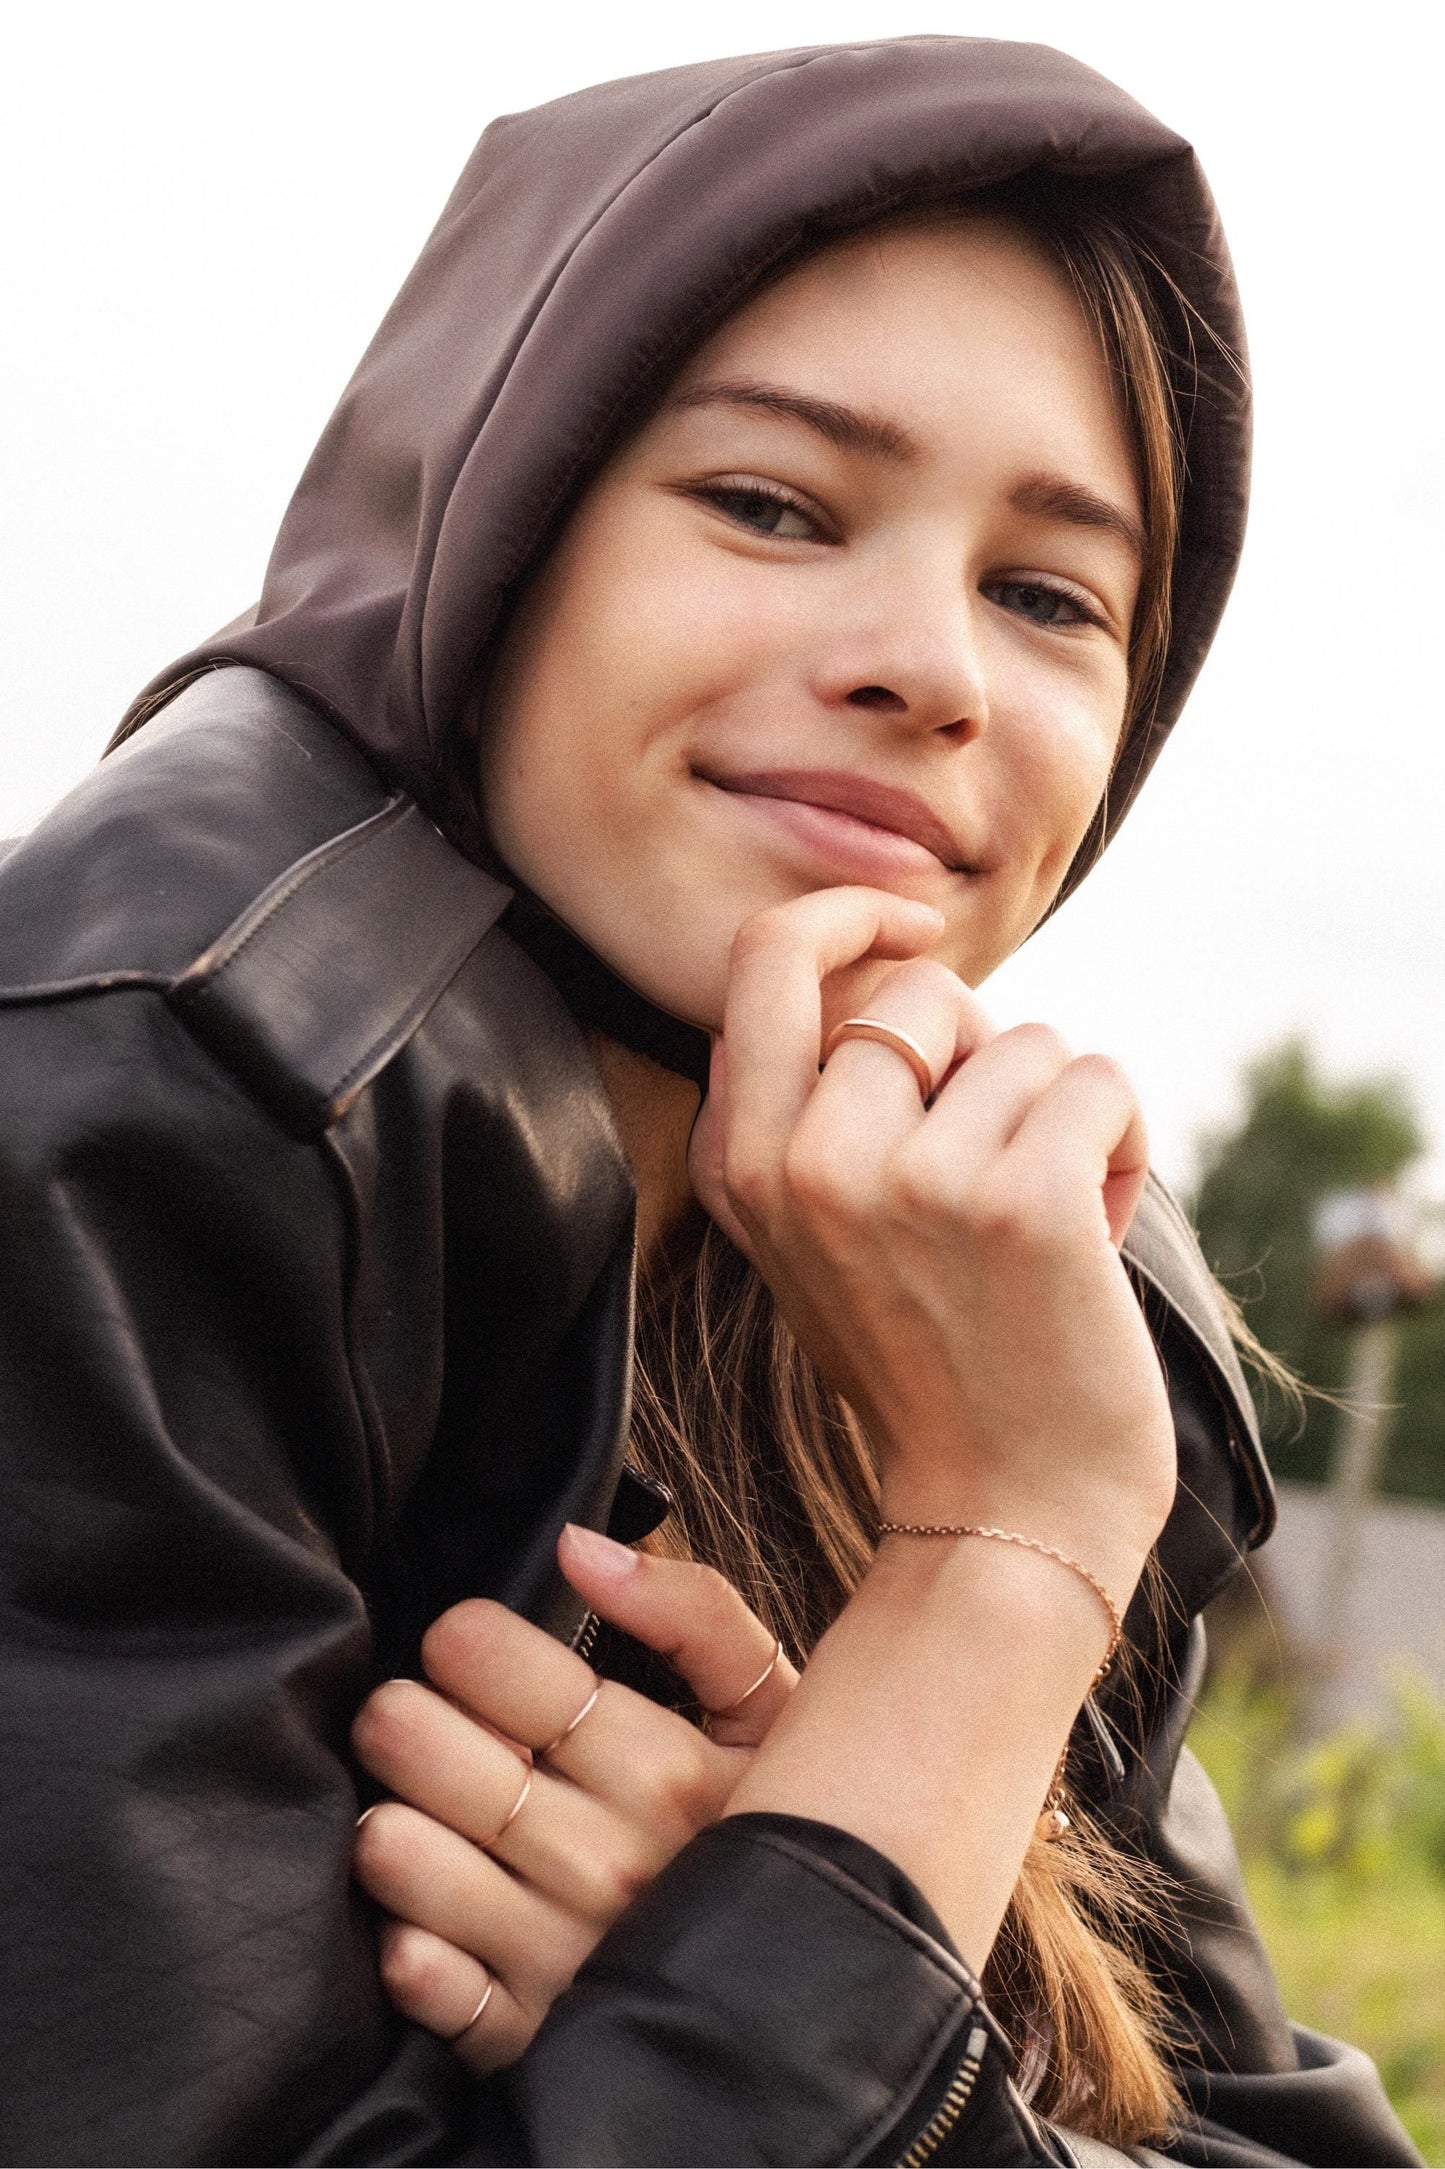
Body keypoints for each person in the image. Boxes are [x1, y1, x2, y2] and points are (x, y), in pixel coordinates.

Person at [0, 34, 1418, 2169]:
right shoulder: (148, 1112)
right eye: (771, 502)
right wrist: (997, 1558)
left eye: (1048, 593)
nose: (928, 660)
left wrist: (807, 1979)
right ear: (483, 522)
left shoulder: (1037, 1301)